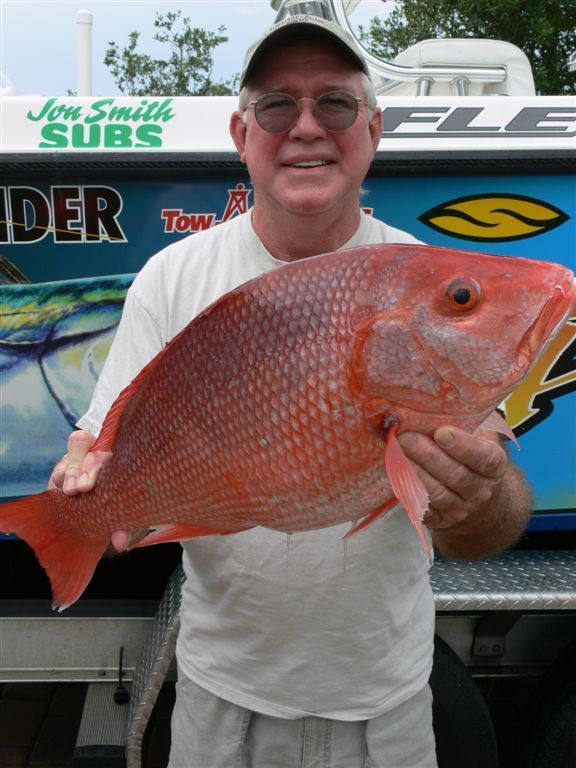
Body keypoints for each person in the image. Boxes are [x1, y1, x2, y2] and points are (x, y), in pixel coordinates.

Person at [49, 15, 533, 768]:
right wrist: (88, 496)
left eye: (335, 103)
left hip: (386, 705)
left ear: (373, 129)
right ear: (242, 134)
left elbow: (489, 523)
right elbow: (108, 456)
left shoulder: (421, 275)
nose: (307, 127)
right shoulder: (173, 278)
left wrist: (484, 497)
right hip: (219, 700)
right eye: (277, 106)